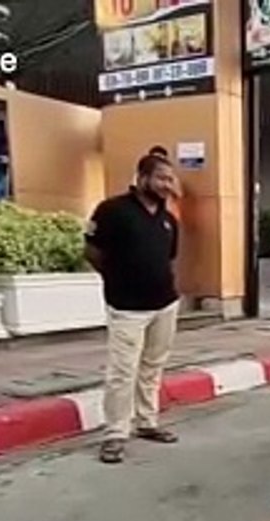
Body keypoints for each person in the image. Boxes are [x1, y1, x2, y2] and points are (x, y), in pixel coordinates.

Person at [85, 154, 182, 464]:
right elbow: (92, 251)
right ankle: (115, 434)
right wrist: (117, 279)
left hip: (164, 305)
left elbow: (168, 258)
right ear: (142, 178)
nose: (168, 185)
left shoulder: (169, 220)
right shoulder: (112, 211)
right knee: (122, 371)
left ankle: (147, 422)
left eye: (170, 179)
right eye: (161, 179)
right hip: (126, 307)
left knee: (153, 366)